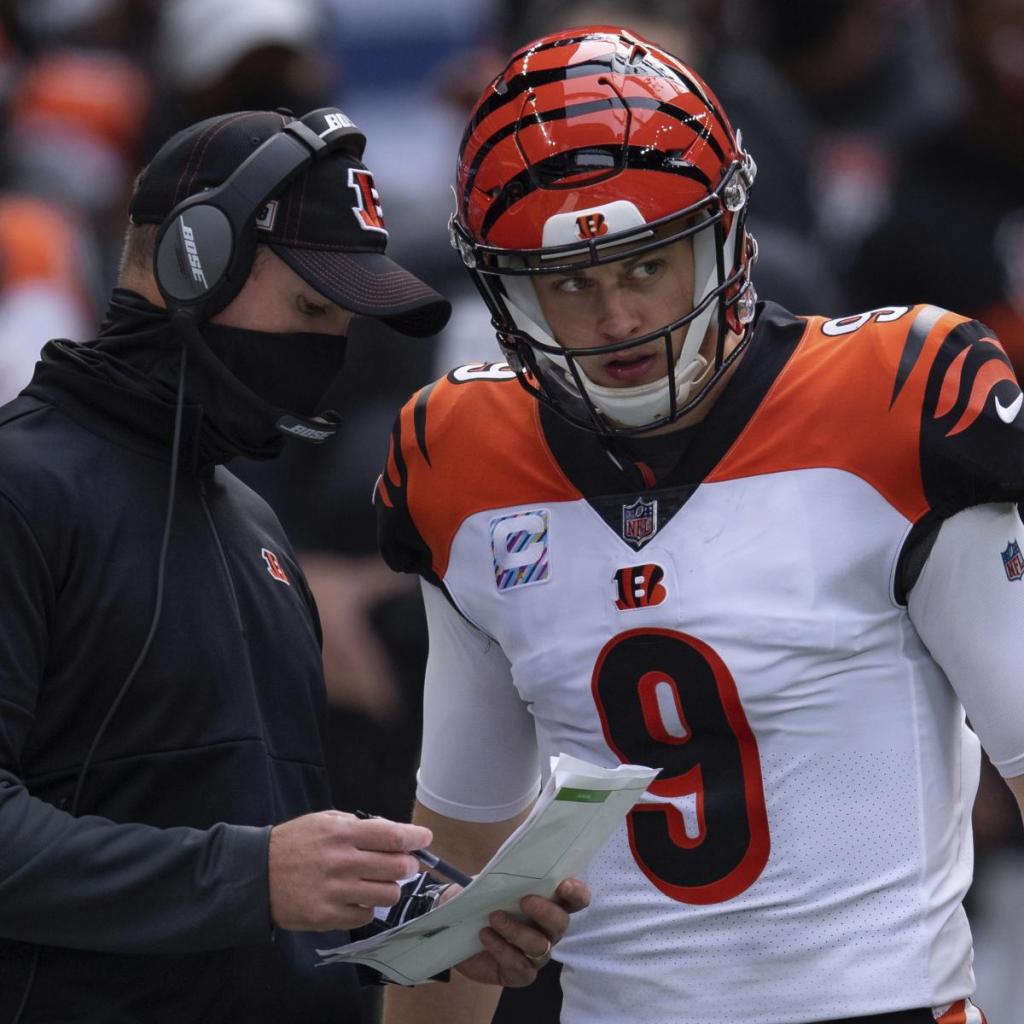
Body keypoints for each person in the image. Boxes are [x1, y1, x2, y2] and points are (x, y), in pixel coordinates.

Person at [375, 26, 1024, 1024]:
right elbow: (460, 854)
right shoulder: (459, 456)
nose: (615, 318)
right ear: (506, 290)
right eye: (570, 281)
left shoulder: (893, 403)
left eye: (647, 264)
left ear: (723, 233)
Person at [0, 106, 589, 1023]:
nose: (327, 349)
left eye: (342, 322)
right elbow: (246, 874)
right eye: (312, 307)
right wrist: (256, 875)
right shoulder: (19, 488)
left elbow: (259, 876)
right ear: (194, 261)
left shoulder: (253, 524)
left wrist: (423, 917)